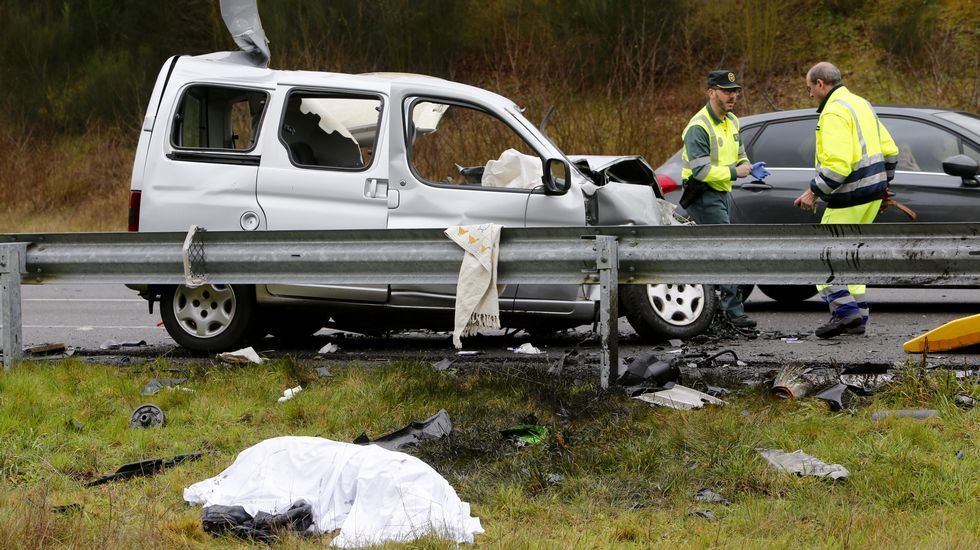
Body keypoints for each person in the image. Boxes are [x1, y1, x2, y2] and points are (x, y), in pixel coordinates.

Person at [793, 62, 899, 338]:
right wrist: (883, 185)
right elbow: (890, 150)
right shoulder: (861, 104)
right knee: (851, 257)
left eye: (809, 88)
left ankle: (845, 313)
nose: (810, 94)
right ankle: (858, 315)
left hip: (849, 196)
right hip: (871, 197)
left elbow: (839, 165)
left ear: (820, 84)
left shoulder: (833, 112)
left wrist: (814, 191)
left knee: (824, 255)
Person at [680, 70, 769, 329]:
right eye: (727, 91)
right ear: (711, 92)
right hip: (703, 194)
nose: (733, 96)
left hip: (721, 192)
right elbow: (701, 171)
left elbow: (740, 154)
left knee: (718, 250)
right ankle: (733, 313)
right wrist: (735, 172)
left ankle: (719, 310)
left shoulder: (732, 120)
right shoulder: (698, 127)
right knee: (726, 250)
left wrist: (748, 166)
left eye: (735, 91)